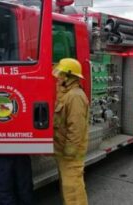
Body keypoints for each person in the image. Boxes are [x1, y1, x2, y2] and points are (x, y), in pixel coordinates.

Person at [53, 58, 89, 205]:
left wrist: (69, 151)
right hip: (64, 151)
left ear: (69, 77)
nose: (58, 77)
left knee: (73, 189)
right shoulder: (67, 94)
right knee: (67, 187)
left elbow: (76, 129)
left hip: (71, 154)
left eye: (61, 74)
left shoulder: (75, 96)